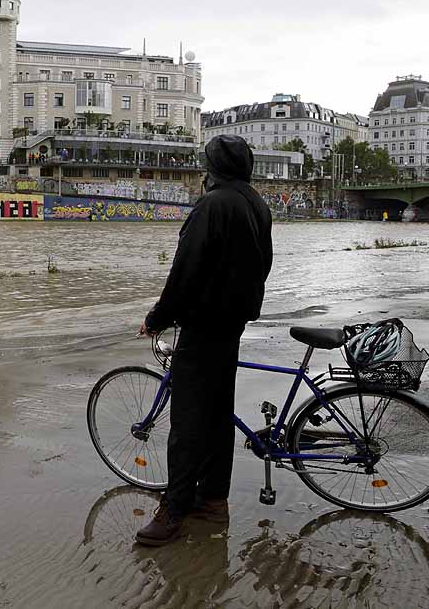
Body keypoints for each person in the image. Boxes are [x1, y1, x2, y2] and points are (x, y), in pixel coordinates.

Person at [135, 134, 273, 547]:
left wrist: (158, 317)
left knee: (189, 423)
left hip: (204, 324)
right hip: (232, 323)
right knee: (216, 416)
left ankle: (174, 510)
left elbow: (185, 272)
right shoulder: (256, 204)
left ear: (210, 169)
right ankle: (213, 499)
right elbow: (263, 264)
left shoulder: (211, 205)